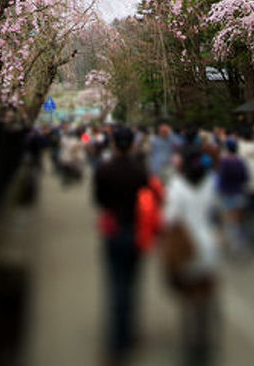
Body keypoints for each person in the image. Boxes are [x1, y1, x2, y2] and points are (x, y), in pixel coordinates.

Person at [94, 125, 149, 365]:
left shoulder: (104, 170)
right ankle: (129, 333)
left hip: (113, 229)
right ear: (133, 144)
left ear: (113, 143)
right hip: (135, 229)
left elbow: (98, 200)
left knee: (116, 283)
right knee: (132, 282)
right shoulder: (141, 171)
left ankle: (117, 342)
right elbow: (147, 199)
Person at [163, 147, 222, 365]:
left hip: (186, 249)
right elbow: (216, 212)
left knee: (189, 298)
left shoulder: (177, 187)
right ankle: (206, 343)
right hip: (209, 246)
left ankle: (192, 346)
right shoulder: (211, 183)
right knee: (206, 296)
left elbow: (168, 220)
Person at [215, 136, 249, 257]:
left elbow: (221, 179)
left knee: (230, 222)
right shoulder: (241, 161)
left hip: (227, 194)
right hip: (240, 192)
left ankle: (235, 247)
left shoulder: (224, 162)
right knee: (240, 221)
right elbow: (246, 177)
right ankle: (242, 245)